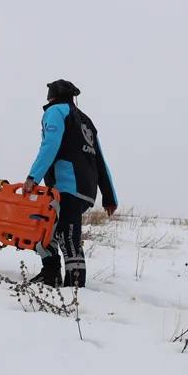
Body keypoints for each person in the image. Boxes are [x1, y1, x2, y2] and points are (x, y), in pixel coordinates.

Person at [24, 80, 118, 288]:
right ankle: (51, 274)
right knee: (47, 230)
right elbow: (99, 159)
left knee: (66, 237)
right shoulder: (86, 121)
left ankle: (74, 289)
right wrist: (109, 196)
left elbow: (50, 144)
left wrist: (33, 177)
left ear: (53, 96)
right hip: (86, 189)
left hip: (67, 186)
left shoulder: (55, 111)